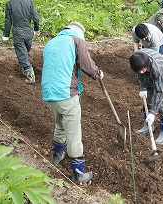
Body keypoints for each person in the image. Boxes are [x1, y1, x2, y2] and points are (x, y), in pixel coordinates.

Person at [41, 22, 104, 184]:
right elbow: (87, 64)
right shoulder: (76, 40)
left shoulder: (50, 43)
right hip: (66, 92)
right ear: (79, 33)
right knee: (74, 133)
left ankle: (57, 155)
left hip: (48, 93)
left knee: (60, 124)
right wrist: (98, 74)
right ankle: (78, 173)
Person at [129, 48, 163, 145]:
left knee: (162, 105)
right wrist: (143, 88)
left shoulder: (157, 69)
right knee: (148, 101)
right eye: (138, 70)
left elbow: (159, 91)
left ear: (147, 64)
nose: (140, 72)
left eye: (142, 70)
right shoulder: (136, 60)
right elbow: (139, 75)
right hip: (148, 73)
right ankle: (148, 126)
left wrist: (153, 113)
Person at [2, 0, 40, 84]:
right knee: (26, 53)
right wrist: (36, 29)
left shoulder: (10, 3)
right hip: (29, 32)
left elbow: (8, 21)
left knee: (22, 55)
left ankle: (30, 76)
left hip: (18, 32)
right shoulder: (29, 2)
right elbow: (36, 17)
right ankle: (24, 70)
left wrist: (6, 35)